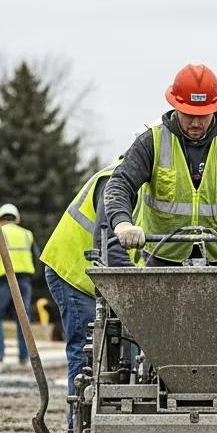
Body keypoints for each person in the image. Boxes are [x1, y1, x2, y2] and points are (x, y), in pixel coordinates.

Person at [103, 63, 217, 266]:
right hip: (162, 257)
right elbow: (120, 184)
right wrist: (123, 224)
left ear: (215, 108)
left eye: (202, 115)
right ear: (176, 107)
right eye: (188, 114)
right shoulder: (152, 141)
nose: (195, 123)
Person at [40, 159, 133, 400]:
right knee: (87, 355)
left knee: (112, 355)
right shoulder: (115, 181)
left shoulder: (147, 187)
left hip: (97, 277)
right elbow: (108, 244)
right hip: (75, 274)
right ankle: (76, 428)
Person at [0, 203, 40, 363]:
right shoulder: (27, 234)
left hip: (4, 280)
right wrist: (31, 277)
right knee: (23, 318)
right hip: (24, 280)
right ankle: (24, 356)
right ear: (17, 218)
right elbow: (37, 258)